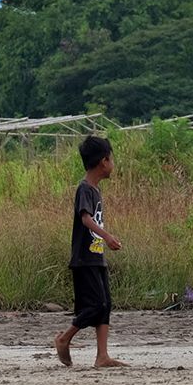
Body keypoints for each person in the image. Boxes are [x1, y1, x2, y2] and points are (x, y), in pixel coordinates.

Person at [54, 135, 126, 368]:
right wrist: (107, 237)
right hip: (84, 258)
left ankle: (102, 356)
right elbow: (85, 218)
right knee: (95, 305)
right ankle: (65, 338)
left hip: (96, 257)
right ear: (103, 162)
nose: (112, 164)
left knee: (106, 304)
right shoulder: (84, 189)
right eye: (111, 159)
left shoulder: (95, 190)